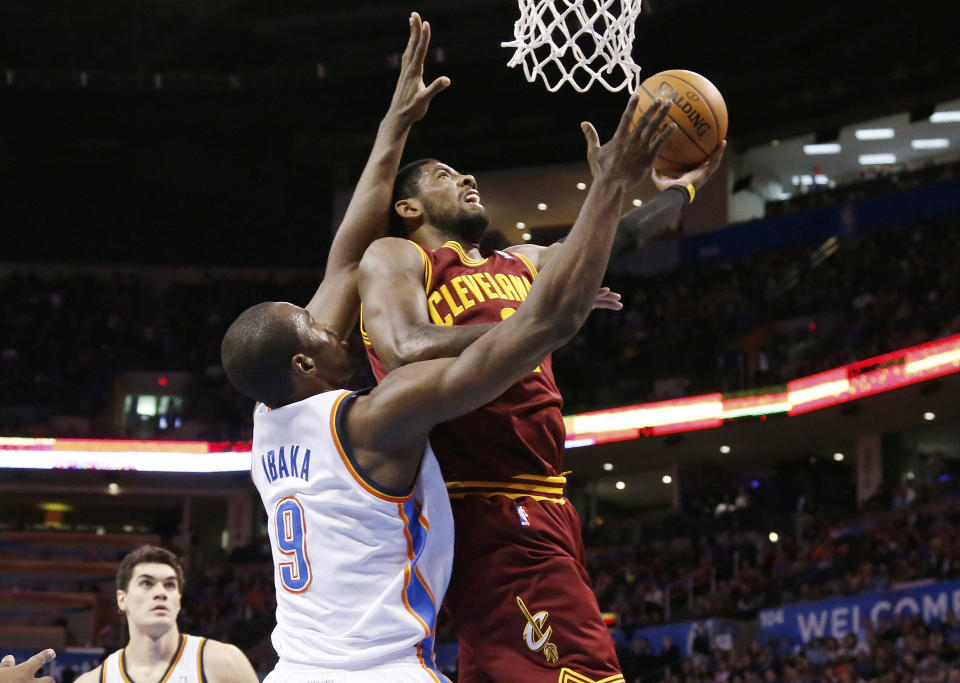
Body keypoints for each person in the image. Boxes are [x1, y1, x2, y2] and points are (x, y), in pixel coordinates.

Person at [220, 50, 676, 680]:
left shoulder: (270, 415)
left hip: (301, 665)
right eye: (316, 329)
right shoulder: (373, 419)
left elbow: (342, 260)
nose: (335, 326)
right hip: (404, 639)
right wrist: (605, 193)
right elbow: (536, 326)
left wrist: (394, 125)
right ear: (304, 361)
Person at [357, 111, 724, 680]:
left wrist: (684, 188)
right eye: (446, 175)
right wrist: (540, 323)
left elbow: (618, 235)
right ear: (410, 208)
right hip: (481, 502)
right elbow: (405, 345)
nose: (466, 179)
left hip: (546, 497)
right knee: (586, 671)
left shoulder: (522, 263)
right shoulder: (400, 255)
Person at [74, 545, 258, 683]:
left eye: (170, 585)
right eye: (147, 583)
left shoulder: (224, 662)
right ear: (122, 599)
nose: (160, 592)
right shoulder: (94, 680)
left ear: (178, 601)